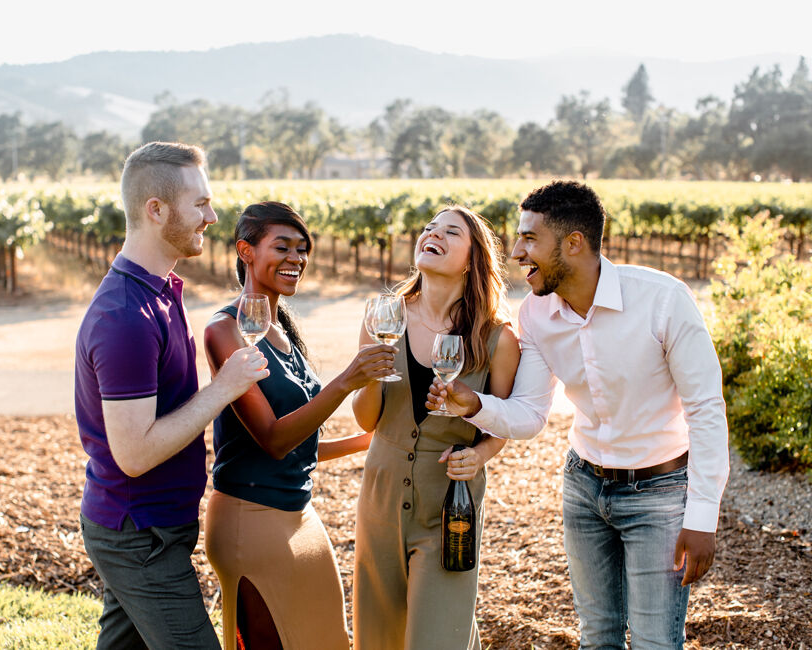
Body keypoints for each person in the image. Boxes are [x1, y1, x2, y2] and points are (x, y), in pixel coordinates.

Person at [428, 181, 730, 649]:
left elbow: (706, 410)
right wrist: (476, 404)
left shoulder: (663, 300)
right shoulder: (535, 314)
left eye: (529, 239)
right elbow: (530, 414)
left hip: (660, 493)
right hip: (584, 489)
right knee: (597, 637)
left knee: (655, 642)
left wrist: (703, 516)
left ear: (574, 243)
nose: (517, 252)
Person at [75, 142, 270, 650]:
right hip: (139, 534)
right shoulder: (124, 317)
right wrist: (225, 388)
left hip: (153, 525)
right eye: (200, 203)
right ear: (155, 210)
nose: (213, 215)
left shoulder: (160, 290)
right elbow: (134, 454)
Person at [202, 201, 396, 650]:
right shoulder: (224, 330)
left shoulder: (284, 331)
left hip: (298, 515)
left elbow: (298, 440)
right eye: (283, 246)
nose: (297, 258)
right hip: (250, 520)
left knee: (329, 640)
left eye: (303, 249)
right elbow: (272, 440)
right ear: (246, 251)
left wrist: (367, 441)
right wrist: (348, 380)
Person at [351, 205, 521, 650]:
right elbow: (367, 419)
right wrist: (367, 377)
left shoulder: (497, 340)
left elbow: (501, 424)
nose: (433, 234)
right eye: (429, 228)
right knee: (378, 636)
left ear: (472, 258)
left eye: (451, 232)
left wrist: (478, 456)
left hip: (451, 506)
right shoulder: (382, 318)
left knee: (439, 637)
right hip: (380, 496)